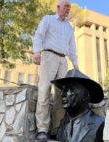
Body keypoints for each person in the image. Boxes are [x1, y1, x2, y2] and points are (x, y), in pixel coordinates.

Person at [32, 0, 79, 141]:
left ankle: (56, 130)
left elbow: (72, 48)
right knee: (44, 90)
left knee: (61, 95)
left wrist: (75, 65)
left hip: (63, 60)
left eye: (70, 8)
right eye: (66, 7)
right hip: (49, 56)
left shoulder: (69, 28)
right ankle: (42, 130)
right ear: (58, 7)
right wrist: (36, 52)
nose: (68, 9)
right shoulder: (48, 19)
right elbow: (39, 36)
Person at [51, 69, 105, 142]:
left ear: (85, 95)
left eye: (70, 89)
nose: (62, 94)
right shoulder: (63, 124)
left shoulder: (100, 123)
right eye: (63, 90)